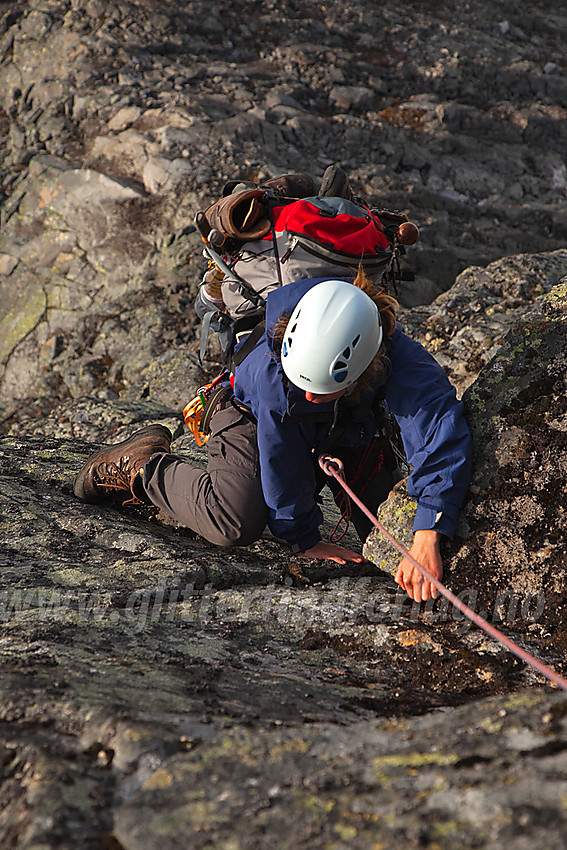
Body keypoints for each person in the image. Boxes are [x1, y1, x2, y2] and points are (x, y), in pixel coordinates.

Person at [73, 271, 472, 603]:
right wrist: (303, 538)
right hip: (248, 414)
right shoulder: (275, 373)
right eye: (306, 384)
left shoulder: (400, 360)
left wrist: (427, 531)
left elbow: (438, 432)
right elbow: (281, 457)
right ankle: (141, 465)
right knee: (232, 521)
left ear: (365, 366)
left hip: (348, 426)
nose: (311, 394)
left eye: (322, 387)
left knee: (389, 538)